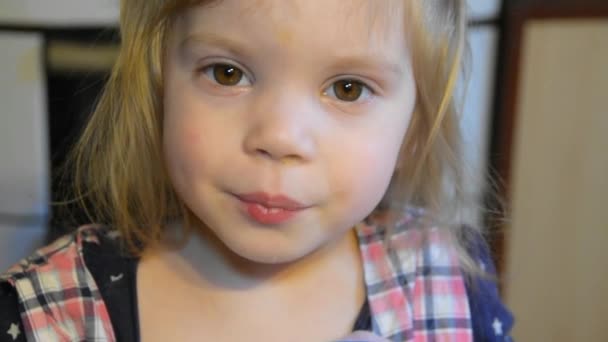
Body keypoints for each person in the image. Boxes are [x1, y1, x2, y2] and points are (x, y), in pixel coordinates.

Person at [0, 0, 513, 341]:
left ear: (414, 131)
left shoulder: (447, 288)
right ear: (160, 89)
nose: (279, 137)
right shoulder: (47, 314)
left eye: (348, 88)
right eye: (228, 73)